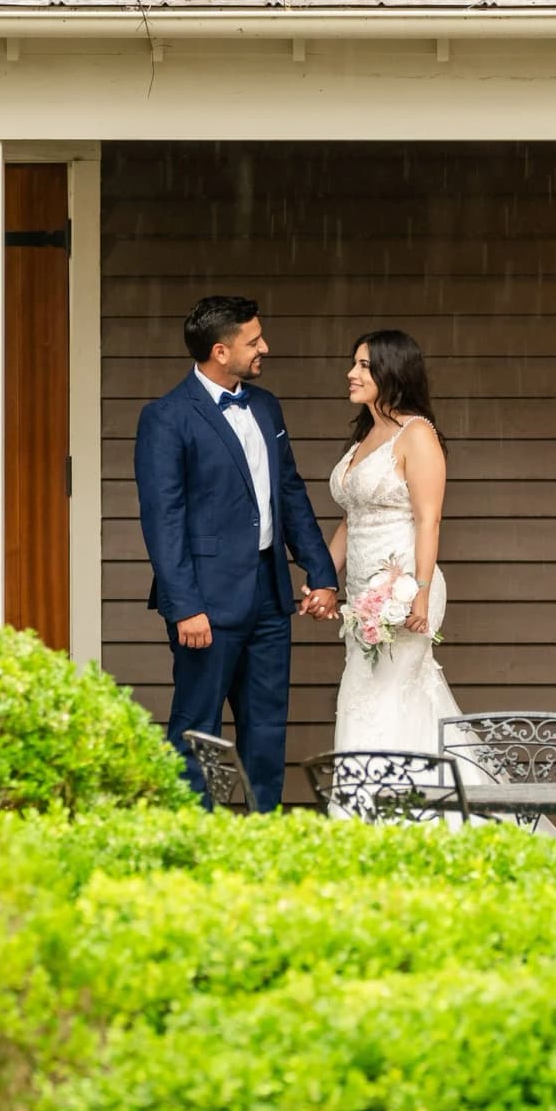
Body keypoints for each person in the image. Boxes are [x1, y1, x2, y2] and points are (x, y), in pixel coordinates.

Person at [135, 296, 340, 811]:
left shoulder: (266, 406)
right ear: (220, 351)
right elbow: (163, 521)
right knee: (197, 727)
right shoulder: (166, 417)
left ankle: (261, 832)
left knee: (266, 728)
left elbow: (289, 493)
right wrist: (185, 606)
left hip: (270, 597)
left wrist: (321, 571)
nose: (264, 347)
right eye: (254, 340)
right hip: (205, 602)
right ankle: (193, 834)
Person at [326, 329, 465, 758]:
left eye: (364, 366)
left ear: (392, 371)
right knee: (361, 695)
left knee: (386, 702)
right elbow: (351, 520)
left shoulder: (416, 434)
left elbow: (428, 520)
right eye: (353, 364)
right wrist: (323, 579)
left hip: (402, 589)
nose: (351, 374)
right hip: (360, 597)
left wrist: (420, 591)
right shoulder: (367, 435)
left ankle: (391, 792)